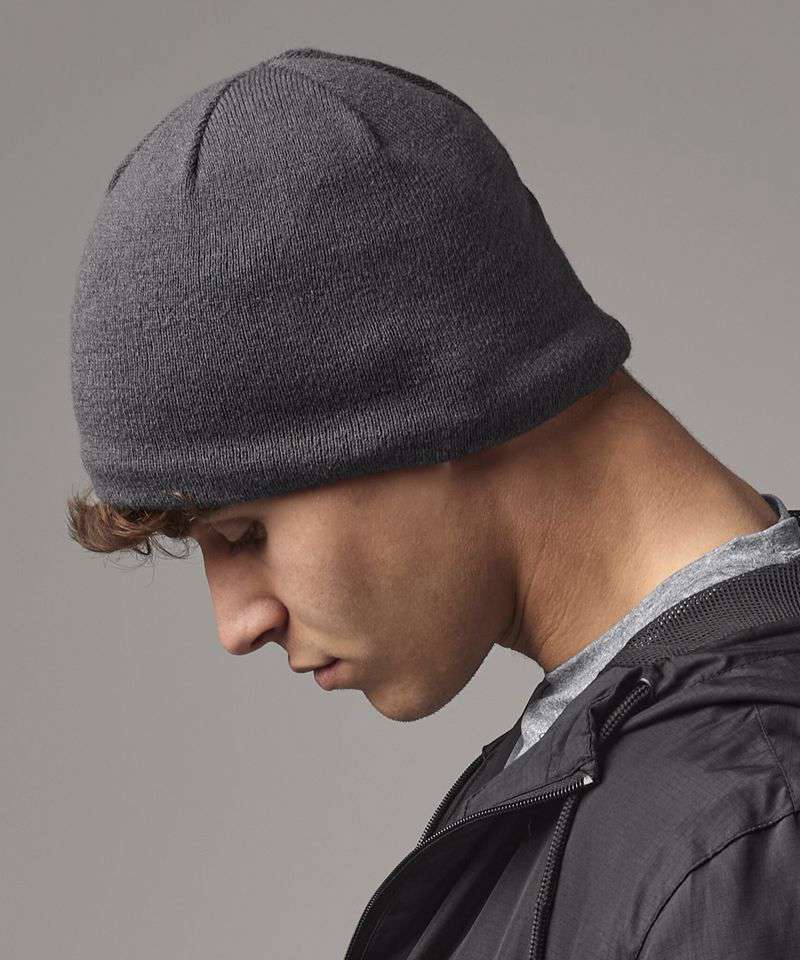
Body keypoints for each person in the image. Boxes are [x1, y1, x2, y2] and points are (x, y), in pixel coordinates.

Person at [66, 47, 800, 959]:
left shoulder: (738, 840)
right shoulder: (638, 781)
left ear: (439, 406)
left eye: (246, 533)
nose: (237, 624)